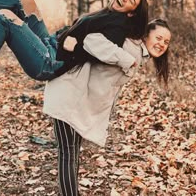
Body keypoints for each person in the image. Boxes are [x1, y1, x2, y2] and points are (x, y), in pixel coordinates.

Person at [43, 18, 171, 196]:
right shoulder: (128, 46)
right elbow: (92, 40)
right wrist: (124, 58)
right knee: (68, 151)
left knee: (72, 151)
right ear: (146, 34)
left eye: (166, 41)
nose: (162, 44)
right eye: (158, 38)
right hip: (68, 91)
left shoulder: (139, 54)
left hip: (79, 99)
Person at [0, 0, 148, 91]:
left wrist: (75, 49)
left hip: (50, 61)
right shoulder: (108, 14)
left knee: (5, 17)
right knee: (26, 0)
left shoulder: (118, 26)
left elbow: (103, 51)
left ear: (131, 12)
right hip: (51, 43)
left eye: (131, 0)